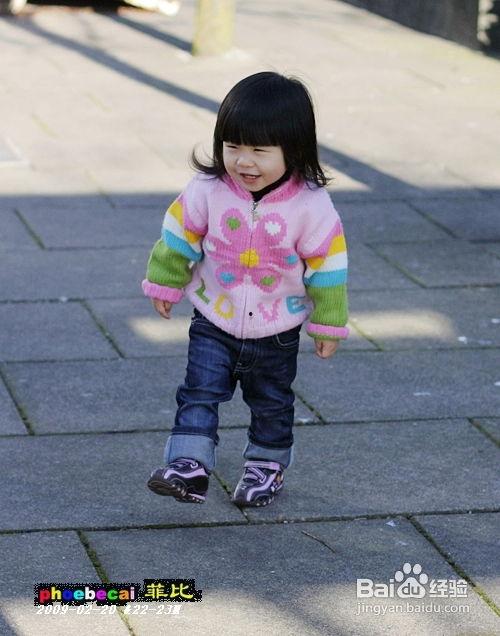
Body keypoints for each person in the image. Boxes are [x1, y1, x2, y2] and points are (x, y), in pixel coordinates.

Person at [142, 71, 349, 507]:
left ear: (293, 148)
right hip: (213, 317)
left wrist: (329, 322)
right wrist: (165, 280)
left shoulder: (311, 205)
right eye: (233, 146)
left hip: (277, 328)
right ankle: (189, 465)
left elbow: (328, 267)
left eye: (259, 150)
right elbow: (178, 236)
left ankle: (266, 467)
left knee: (271, 403)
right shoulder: (208, 189)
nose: (244, 162)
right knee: (198, 392)